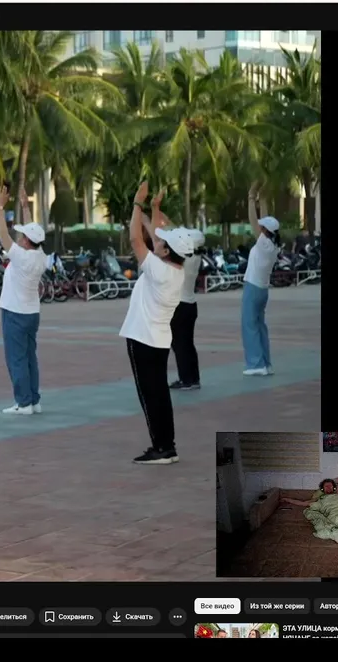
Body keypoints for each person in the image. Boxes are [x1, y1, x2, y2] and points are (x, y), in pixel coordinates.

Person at [119, 182, 197, 465]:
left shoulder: (159, 270)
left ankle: (161, 448)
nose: (156, 242)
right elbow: (154, 237)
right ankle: (167, 445)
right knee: (160, 393)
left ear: (165, 252)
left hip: (143, 339)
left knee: (149, 395)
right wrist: (154, 208)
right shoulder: (175, 269)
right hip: (159, 340)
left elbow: (136, 240)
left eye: (161, 244)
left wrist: (137, 204)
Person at [0, 186, 48, 415]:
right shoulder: (41, 256)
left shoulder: (21, 256)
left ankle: (23, 403)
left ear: (26, 242)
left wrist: (0, 207)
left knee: (16, 359)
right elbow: (31, 230)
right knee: (29, 358)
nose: (20, 238)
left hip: (14, 313)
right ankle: (33, 400)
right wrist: (25, 206)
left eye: (23, 236)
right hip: (31, 313)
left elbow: (2, 235)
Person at [242, 184, 281, 376]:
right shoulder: (272, 244)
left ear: (265, 230)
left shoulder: (263, 242)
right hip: (263, 290)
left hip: (253, 288)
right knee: (260, 326)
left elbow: (254, 222)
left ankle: (256, 364)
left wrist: (251, 199)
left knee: (249, 326)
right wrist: (263, 198)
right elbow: (263, 221)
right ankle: (266, 363)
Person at [170, 229, 207, 392]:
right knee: (188, 344)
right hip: (190, 305)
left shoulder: (182, 259)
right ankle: (193, 378)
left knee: (180, 345)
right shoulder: (195, 257)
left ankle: (186, 379)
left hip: (180, 306)